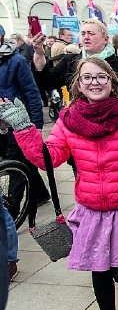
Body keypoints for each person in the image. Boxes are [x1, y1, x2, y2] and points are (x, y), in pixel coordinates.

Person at [0, 57, 118, 310]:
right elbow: (47, 158)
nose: (94, 82)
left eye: (101, 77)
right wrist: (23, 128)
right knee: (99, 269)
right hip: (89, 208)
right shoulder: (68, 119)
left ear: (111, 81)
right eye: (87, 78)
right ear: (77, 84)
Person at [30, 18, 118, 106]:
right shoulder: (71, 61)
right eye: (83, 34)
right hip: (79, 121)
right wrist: (39, 53)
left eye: (91, 33)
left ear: (106, 39)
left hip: (114, 123)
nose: (86, 37)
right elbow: (47, 83)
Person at [0, 25, 50, 215]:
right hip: (1, 125)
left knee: (14, 163)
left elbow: (32, 93)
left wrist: (36, 126)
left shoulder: (17, 61)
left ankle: (11, 214)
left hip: (17, 122)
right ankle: (40, 193)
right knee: (24, 162)